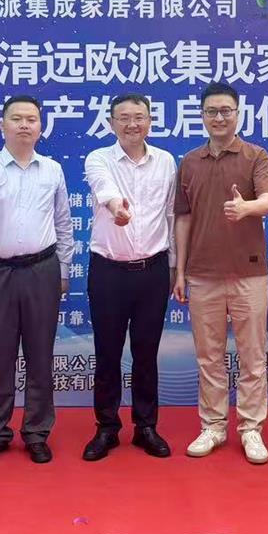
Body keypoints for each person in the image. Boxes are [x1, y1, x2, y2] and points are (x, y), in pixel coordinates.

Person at [0, 96, 73, 465]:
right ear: (3, 125)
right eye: (17, 119)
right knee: (0, 355)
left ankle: (37, 432)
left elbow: (63, 223)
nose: (25, 125)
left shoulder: (52, 170)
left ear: (41, 127)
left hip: (42, 270)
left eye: (31, 119)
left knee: (40, 354)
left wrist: (63, 270)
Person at [174, 81, 268, 464]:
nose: (219, 117)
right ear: (202, 116)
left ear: (237, 114)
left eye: (226, 111)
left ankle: (251, 429)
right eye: (212, 111)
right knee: (209, 357)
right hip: (202, 274)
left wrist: (247, 208)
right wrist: (179, 271)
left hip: (249, 273)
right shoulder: (189, 162)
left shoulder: (255, 155)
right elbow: (183, 219)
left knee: (252, 356)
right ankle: (213, 426)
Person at [81, 93, 176, 461]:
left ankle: (146, 426)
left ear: (150, 121)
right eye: (123, 117)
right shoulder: (98, 158)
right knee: (107, 352)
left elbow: (171, 215)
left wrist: (175, 267)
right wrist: (115, 206)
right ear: (111, 123)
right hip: (108, 270)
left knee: (146, 352)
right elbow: (103, 187)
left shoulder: (165, 161)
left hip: (153, 270)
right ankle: (106, 427)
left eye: (139, 117)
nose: (132, 124)